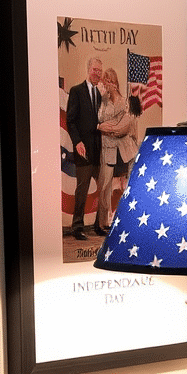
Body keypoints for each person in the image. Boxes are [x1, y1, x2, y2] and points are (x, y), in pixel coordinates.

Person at [64, 57, 103, 240]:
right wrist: (77, 142)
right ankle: (77, 227)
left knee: (101, 188)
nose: (98, 73)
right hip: (83, 150)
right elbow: (70, 120)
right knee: (82, 189)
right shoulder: (76, 91)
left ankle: (98, 225)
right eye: (95, 69)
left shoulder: (100, 95)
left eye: (100, 71)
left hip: (98, 151)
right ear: (88, 70)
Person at [95, 68, 137, 234]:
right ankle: (104, 223)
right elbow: (99, 120)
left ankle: (129, 220)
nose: (108, 84)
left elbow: (123, 127)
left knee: (127, 186)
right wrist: (102, 126)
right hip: (107, 150)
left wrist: (105, 127)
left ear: (116, 83)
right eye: (106, 81)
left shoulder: (125, 101)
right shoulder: (103, 101)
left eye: (111, 81)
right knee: (104, 186)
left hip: (125, 151)